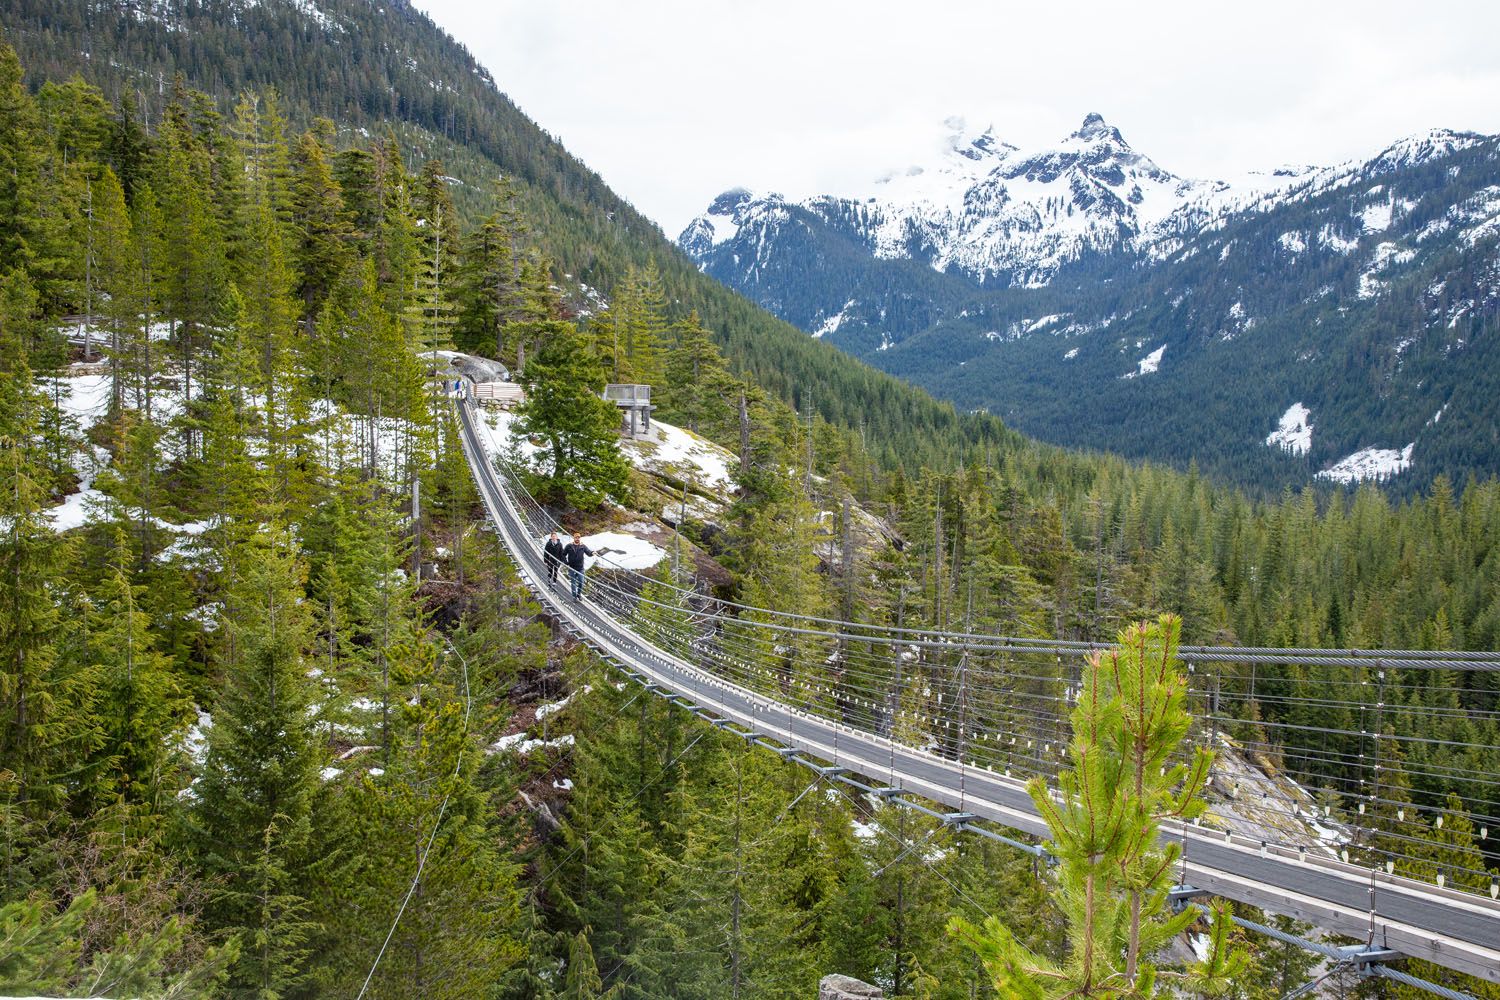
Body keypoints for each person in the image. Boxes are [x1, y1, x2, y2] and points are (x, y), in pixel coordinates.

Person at [561, 532, 594, 602]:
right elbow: (563, 554)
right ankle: (574, 597)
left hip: (580, 568)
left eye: (578, 537)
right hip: (571, 567)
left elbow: (588, 553)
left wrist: (593, 553)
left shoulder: (583, 546)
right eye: (576, 537)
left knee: (581, 582)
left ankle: (579, 594)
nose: (577, 538)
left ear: (580, 538)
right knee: (573, 583)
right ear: (574, 538)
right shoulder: (569, 546)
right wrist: (566, 562)